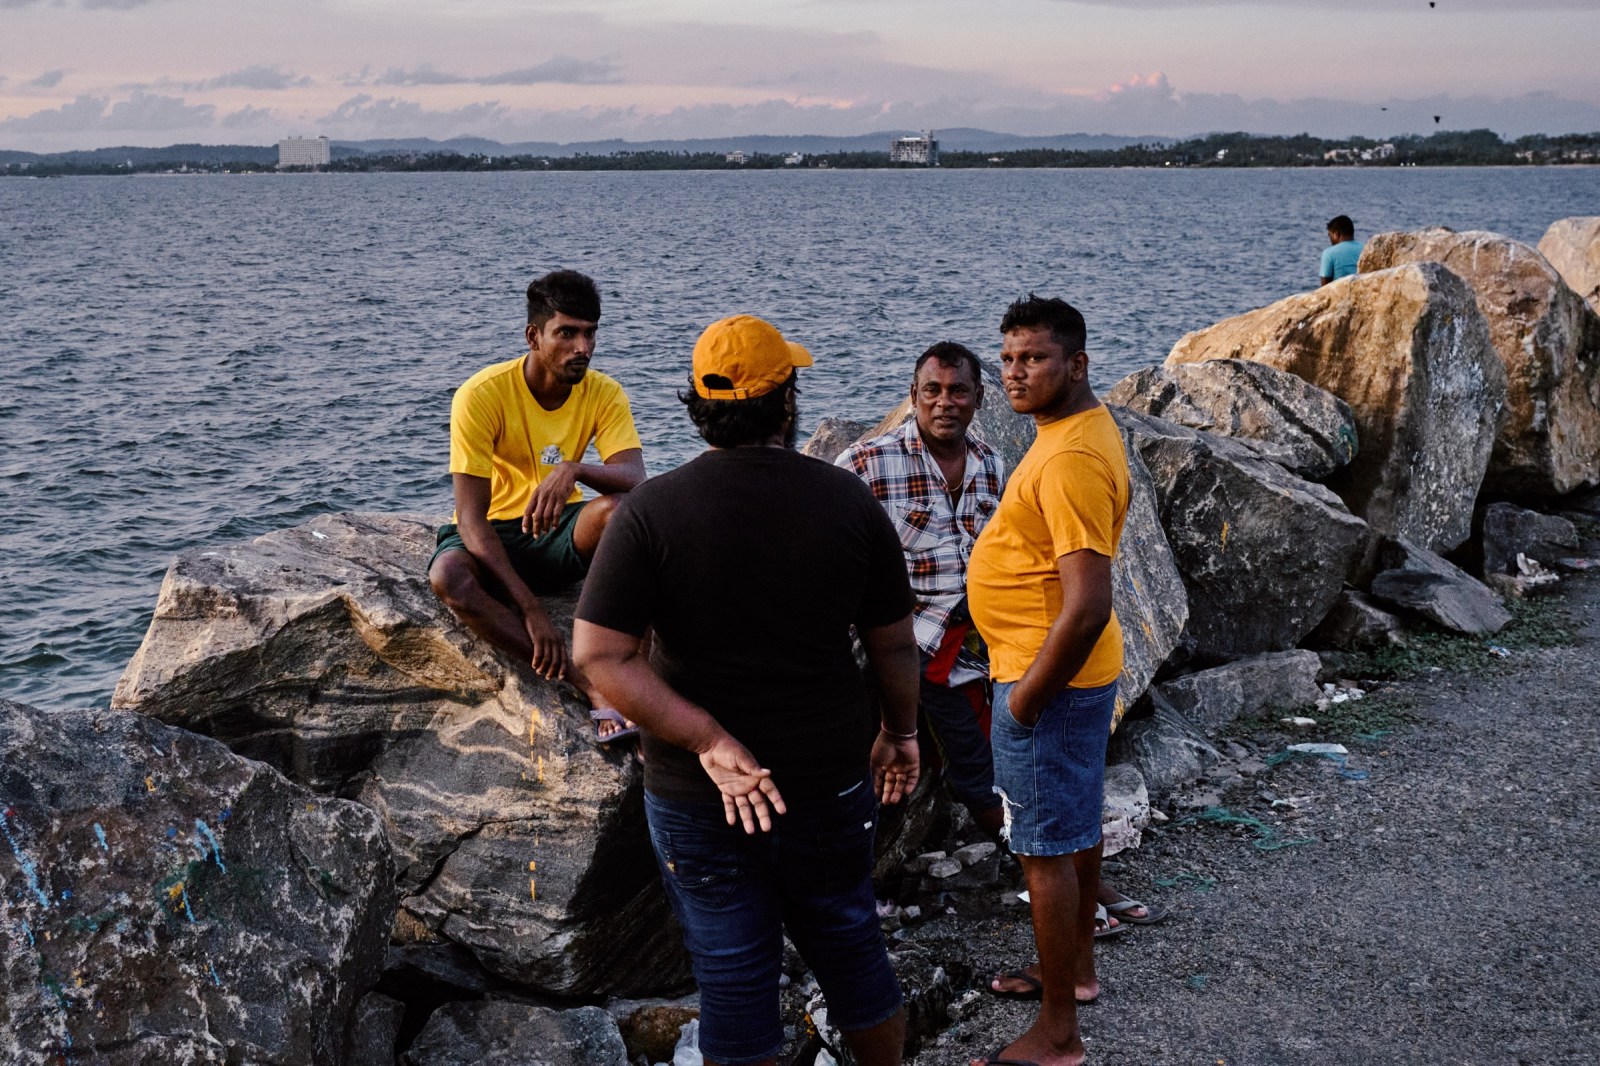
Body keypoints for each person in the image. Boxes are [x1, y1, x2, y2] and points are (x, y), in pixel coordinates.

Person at [572, 314, 922, 1066]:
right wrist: (901, 732)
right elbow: (894, 642)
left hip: (698, 794)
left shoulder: (650, 514)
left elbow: (599, 657)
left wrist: (709, 741)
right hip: (825, 780)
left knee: (734, 981)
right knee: (853, 949)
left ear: (699, 406)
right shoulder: (848, 503)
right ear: (787, 401)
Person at [965, 296, 1131, 1066]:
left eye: (1033, 358)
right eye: (1005, 359)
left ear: (1078, 364)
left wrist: (1026, 699)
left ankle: (1059, 1035)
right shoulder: (1077, 430)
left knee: (1044, 850)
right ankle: (1078, 973)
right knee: (1075, 823)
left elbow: (1089, 600)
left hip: (1048, 682)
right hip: (1072, 679)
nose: (1014, 374)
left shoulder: (1067, 460)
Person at [427, 269, 646, 741]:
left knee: (623, 512)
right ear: (534, 335)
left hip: (557, 532)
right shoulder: (481, 395)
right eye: (566, 333)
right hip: (494, 537)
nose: (582, 348)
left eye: (589, 333)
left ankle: (638, 676)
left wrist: (574, 470)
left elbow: (634, 479)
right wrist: (532, 610)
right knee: (447, 578)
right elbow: (469, 516)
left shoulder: (603, 393)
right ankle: (585, 681)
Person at [836, 341, 1006, 840]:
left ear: (978, 399)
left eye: (958, 391)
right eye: (932, 390)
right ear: (913, 395)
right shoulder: (867, 463)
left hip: (977, 641)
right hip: (906, 643)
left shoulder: (992, 465)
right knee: (975, 763)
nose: (944, 402)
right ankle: (1035, 862)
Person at [1320, 215, 1363, 285]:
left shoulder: (1329, 253)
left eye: (1330, 235)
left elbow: (1324, 287)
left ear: (1336, 234)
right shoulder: (1365, 248)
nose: (1330, 239)